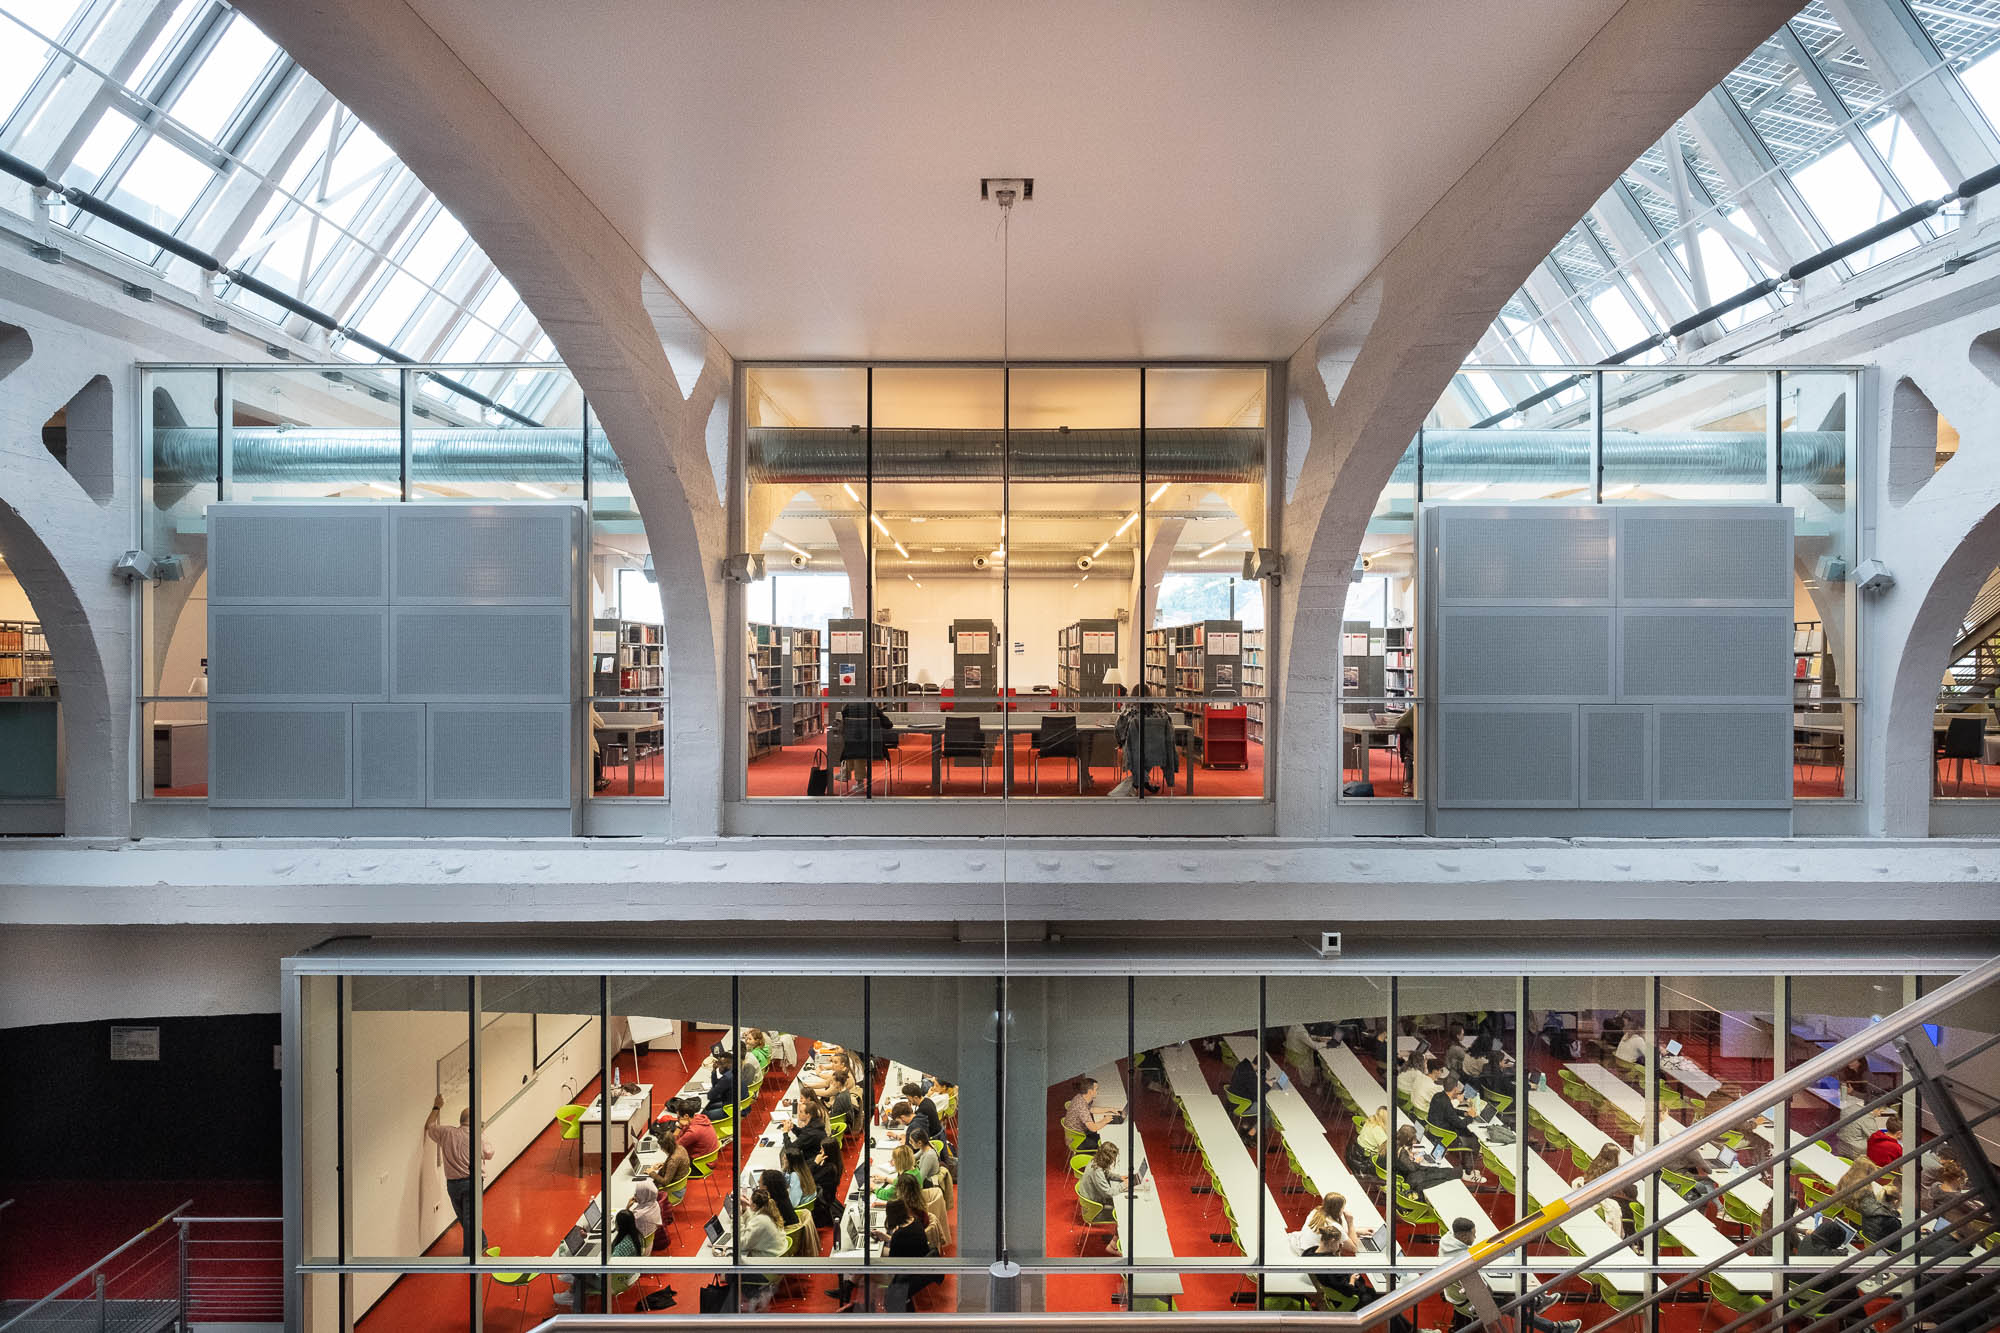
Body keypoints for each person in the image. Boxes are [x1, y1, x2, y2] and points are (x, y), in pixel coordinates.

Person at [1440, 1216, 1580, 1333]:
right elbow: (1481, 1291)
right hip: (1466, 1301)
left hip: (1466, 1289)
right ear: (1464, 1236)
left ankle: (1538, 1302)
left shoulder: (1449, 1240)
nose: (1475, 1236)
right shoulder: (1459, 1260)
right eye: (1473, 1234)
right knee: (1513, 1305)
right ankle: (1553, 1326)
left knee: (1503, 1251)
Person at [423, 1094, 494, 1258]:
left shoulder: (447, 1133)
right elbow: (489, 1153)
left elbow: (430, 1126)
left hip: (453, 1185)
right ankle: (470, 1255)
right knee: (469, 1219)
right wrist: (481, 1133)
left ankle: (480, 1243)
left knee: (464, 1218)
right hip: (472, 1183)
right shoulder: (477, 1136)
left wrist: (436, 1107)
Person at [552, 1208, 643, 1309]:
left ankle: (570, 1296)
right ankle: (573, 1278)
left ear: (620, 1225)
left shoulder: (623, 1246)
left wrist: (592, 1268)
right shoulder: (636, 1235)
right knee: (584, 1269)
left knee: (580, 1274)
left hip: (614, 1282)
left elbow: (608, 1268)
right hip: (630, 1275)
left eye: (616, 1222)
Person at [1395, 1123, 1486, 1188]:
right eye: (1414, 1138)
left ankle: (1463, 1172)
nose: (1415, 1140)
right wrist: (1413, 1159)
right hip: (1411, 1178)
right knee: (1437, 1174)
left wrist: (1410, 1155)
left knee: (1435, 1170)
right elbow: (1413, 1168)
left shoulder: (1396, 1144)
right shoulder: (1402, 1152)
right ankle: (1465, 1175)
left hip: (1408, 1174)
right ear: (1407, 1138)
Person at [1061, 1076, 1119, 1150]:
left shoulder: (1081, 1097)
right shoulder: (1081, 1107)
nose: (1098, 1092)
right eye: (1096, 1089)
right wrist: (1105, 1120)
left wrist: (1109, 1109)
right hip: (1078, 1140)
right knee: (1104, 1144)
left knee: (1102, 1133)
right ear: (1090, 1092)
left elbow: (1092, 1109)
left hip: (1078, 1134)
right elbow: (1093, 1128)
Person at [1078, 1141, 1126, 1209]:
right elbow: (1109, 1193)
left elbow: (1105, 1173)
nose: (1113, 1161)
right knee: (1121, 1206)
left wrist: (1119, 1177)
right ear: (1107, 1159)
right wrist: (1124, 1185)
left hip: (1088, 1193)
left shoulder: (1096, 1160)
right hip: (1093, 1202)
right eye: (1112, 1159)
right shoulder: (1097, 1171)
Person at [629, 1176, 663, 1254]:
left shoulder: (638, 1216)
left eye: (637, 1193)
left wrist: (627, 1208)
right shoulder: (655, 1204)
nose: (635, 1195)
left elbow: (621, 1225)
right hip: (648, 1244)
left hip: (639, 1249)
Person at [704, 1052, 740, 1119]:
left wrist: (714, 1088)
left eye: (721, 1064)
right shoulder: (734, 1072)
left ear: (729, 1065)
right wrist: (714, 1071)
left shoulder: (727, 1078)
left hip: (729, 1111)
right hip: (734, 1105)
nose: (718, 1067)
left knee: (703, 1114)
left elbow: (710, 1095)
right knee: (709, 1105)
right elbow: (716, 1084)